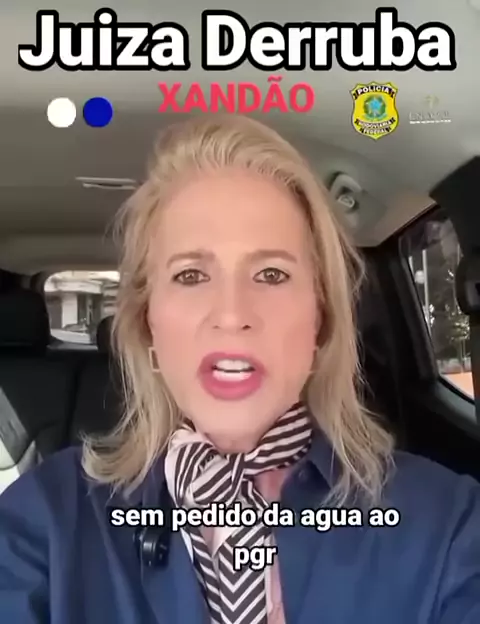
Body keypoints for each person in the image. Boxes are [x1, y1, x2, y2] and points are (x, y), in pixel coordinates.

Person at [0, 114, 479, 624]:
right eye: (190, 275)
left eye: (271, 274)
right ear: (147, 324)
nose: (231, 315)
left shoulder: (448, 526)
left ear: (320, 321)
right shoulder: (43, 520)